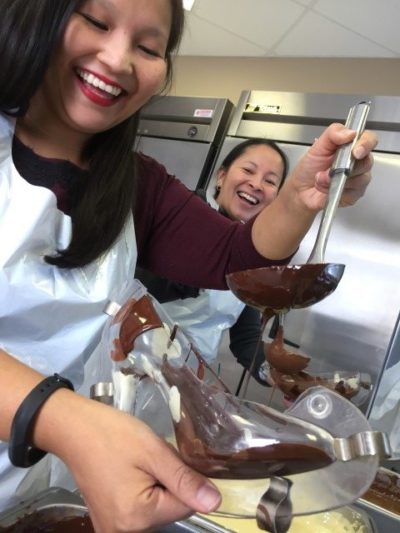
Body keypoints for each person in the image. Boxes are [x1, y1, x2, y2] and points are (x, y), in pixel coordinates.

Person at [0, 1, 377, 532]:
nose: (117, 58)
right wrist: (64, 419)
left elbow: (234, 256)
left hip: (44, 476)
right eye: (97, 22)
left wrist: (300, 197)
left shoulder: (137, 184)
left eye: (148, 47)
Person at [136, 138, 289, 387]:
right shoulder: (179, 217)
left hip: (188, 379)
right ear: (221, 176)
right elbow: (131, 284)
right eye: (248, 170)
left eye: (270, 181)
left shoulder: (251, 257)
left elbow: (246, 338)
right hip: (131, 364)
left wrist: (277, 375)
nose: (256, 184)